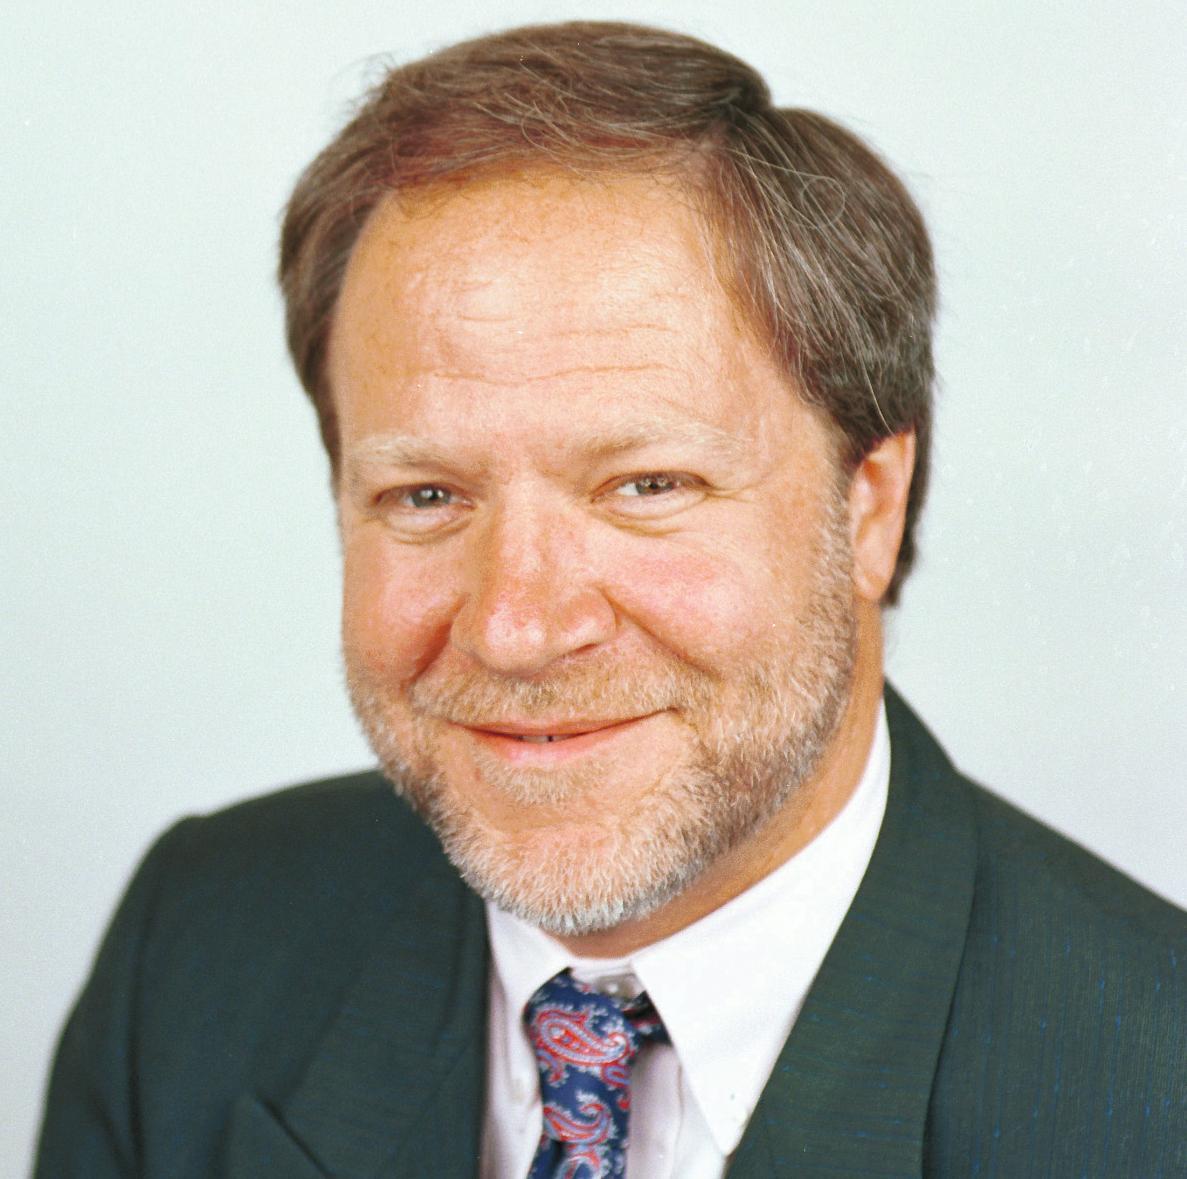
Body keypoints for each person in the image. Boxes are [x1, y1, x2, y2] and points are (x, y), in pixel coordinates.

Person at [35, 21, 1186, 1178]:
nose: (515, 628)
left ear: (867, 510)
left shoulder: (1152, 1095)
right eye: (426, 495)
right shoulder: (199, 946)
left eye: (646, 486)